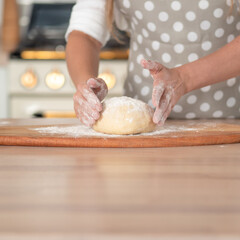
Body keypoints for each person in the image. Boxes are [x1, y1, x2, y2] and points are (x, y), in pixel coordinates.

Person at [65, 0, 240, 127]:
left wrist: (183, 79)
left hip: (230, 121)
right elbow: (85, 34)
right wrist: (86, 86)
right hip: (141, 128)